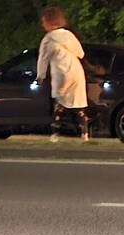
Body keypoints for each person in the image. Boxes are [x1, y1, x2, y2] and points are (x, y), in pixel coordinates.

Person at [37, 6, 89, 142]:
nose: (42, 25)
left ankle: (55, 134)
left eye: (43, 22)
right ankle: (85, 135)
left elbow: (43, 59)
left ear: (49, 22)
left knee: (59, 103)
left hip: (61, 72)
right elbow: (81, 53)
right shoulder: (69, 35)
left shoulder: (48, 39)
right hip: (76, 72)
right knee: (78, 104)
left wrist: (40, 76)